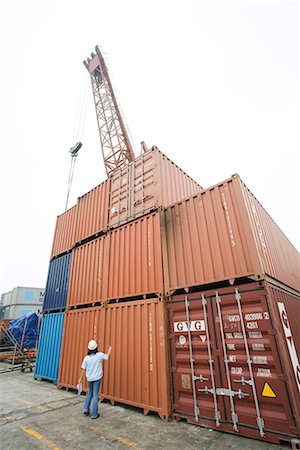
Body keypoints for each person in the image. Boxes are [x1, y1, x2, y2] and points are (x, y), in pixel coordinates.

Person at [78, 339, 112, 419]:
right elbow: (107, 357)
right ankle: (94, 414)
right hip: (97, 378)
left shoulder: (86, 358)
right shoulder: (99, 355)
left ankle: (86, 409)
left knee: (90, 393)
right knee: (96, 394)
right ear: (96, 347)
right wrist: (110, 349)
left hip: (89, 378)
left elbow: (83, 369)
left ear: (89, 348)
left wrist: (80, 379)